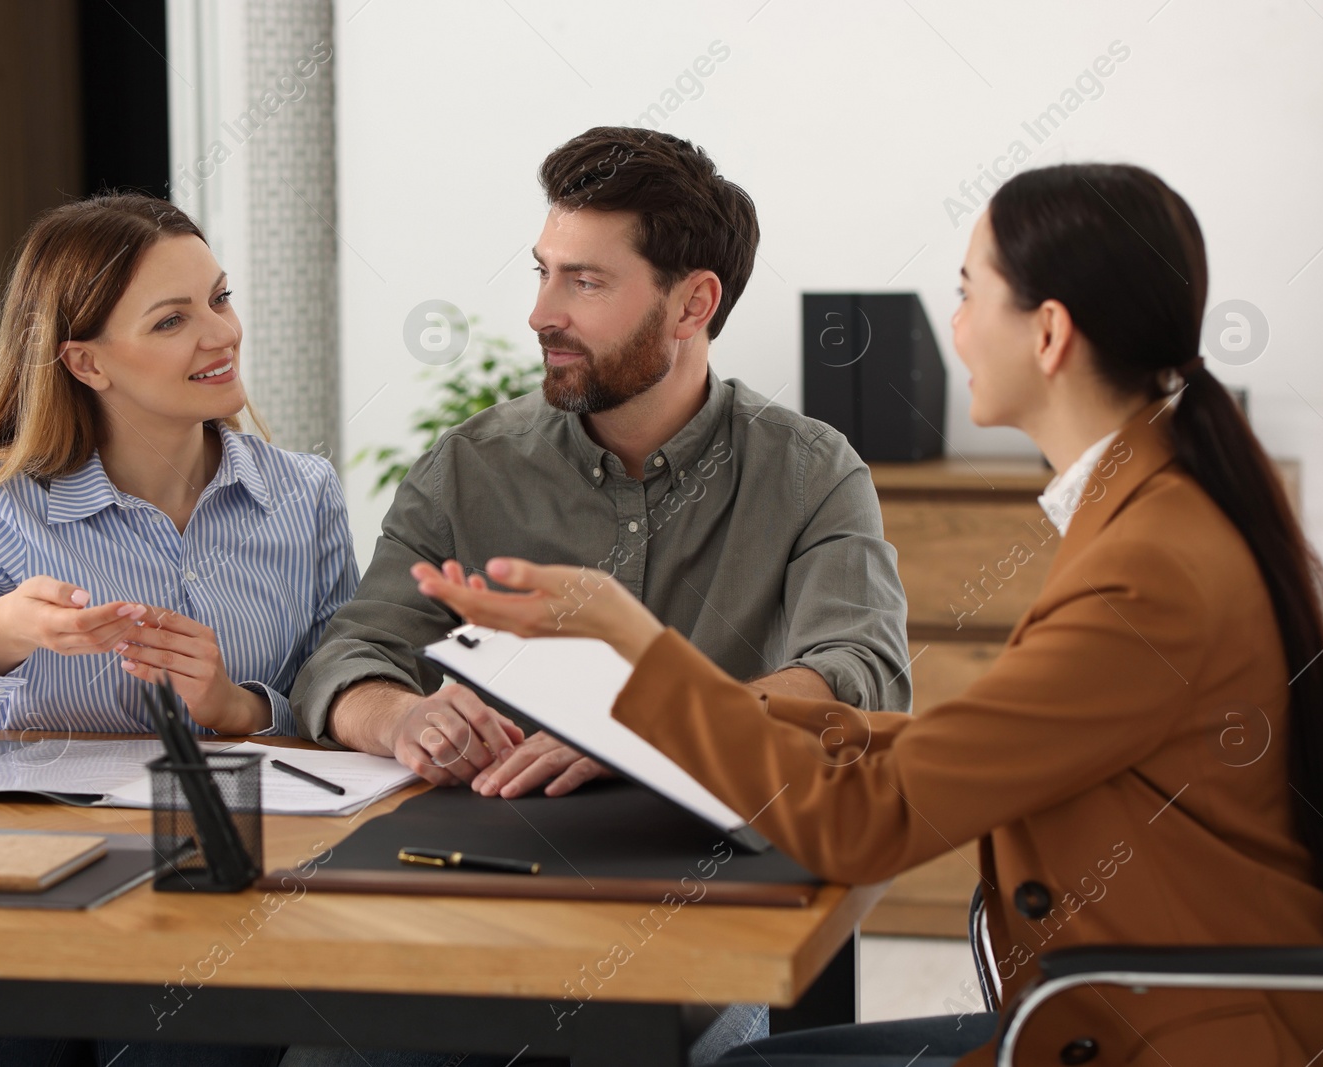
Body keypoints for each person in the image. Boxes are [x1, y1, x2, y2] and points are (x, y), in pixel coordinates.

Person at [410, 162, 1323, 1066]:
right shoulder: (1157, 506)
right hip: (1156, 1006)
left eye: (971, 290)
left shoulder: (1150, 570)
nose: (955, 324)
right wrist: (726, 703)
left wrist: (632, 642)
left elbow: (862, 822)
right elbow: (962, 749)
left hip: (1180, 1035)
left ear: (1049, 333)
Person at [285, 128, 910, 1065]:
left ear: (693, 301)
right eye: (543, 272)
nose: (541, 312)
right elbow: (352, 653)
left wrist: (653, 724)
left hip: (693, 907)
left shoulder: (811, 471)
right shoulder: (468, 467)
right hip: (481, 894)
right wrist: (399, 719)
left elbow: (861, 680)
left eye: (585, 282)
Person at [0, 192, 355, 1067]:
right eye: (172, 320)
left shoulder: (302, 495)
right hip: (26, 889)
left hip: (216, 895)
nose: (219, 334)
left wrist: (238, 704)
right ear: (86, 362)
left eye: (220, 298)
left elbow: (343, 702)